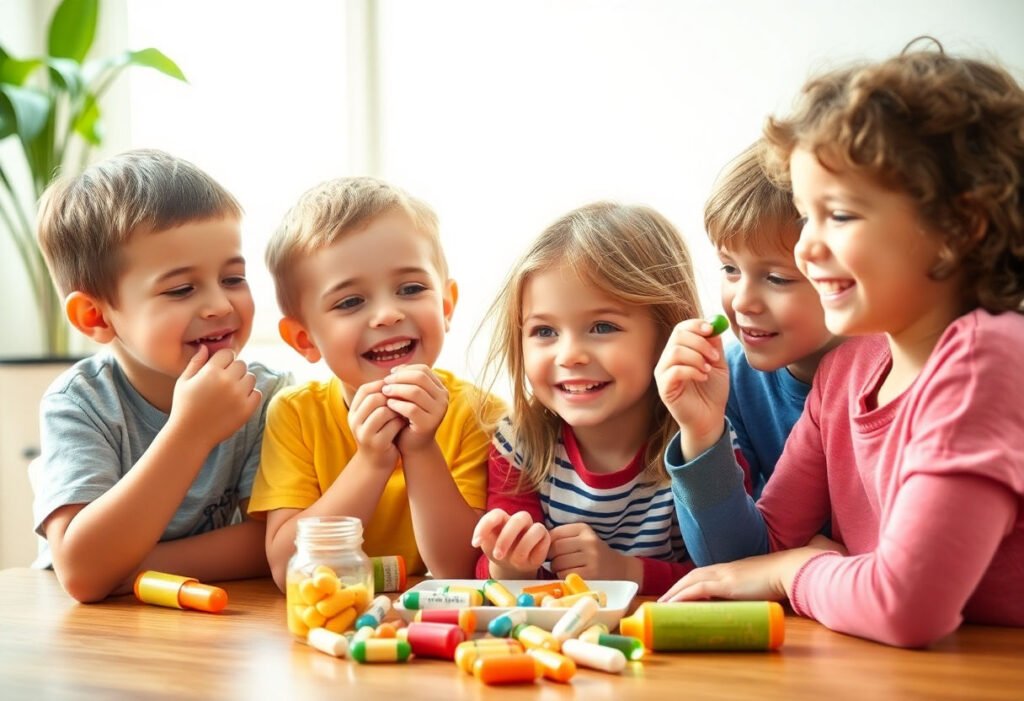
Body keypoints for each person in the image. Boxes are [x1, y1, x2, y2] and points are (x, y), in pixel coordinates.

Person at [657, 40, 1024, 647]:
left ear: (961, 226)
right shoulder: (845, 374)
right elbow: (752, 554)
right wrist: (703, 433)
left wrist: (792, 570)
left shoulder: (990, 357)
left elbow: (905, 607)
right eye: (807, 213)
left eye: (840, 215)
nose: (807, 247)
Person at [32, 149, 289, 602]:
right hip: (93, 640)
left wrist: (125, 569)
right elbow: (81, 573)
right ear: (96, 316)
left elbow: (268, 544)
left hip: (203, 627)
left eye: (232, 278)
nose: (220, 306)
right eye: (181, 289)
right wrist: (190, 432)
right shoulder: (80, 404)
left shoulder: (265, 395)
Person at [250, 177, 500, 590]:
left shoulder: (482, 413)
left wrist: (420, 449)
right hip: (330, 624)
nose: (386, 314)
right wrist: (371, 460)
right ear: (304, 339)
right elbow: (287, 569)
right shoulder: (294, 413)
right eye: (350, 302)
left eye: (411, 288)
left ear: (446, 305)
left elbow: (462, 568)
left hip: (439, 626)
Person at [471, 202, 702, 596]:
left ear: (666, 331)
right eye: (545, 332)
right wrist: (509, 565)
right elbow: (493, 575)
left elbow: (731, 572)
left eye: (602, 327)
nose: (569, 355)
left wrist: (626, 571)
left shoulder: (700, 444)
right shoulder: (519, 445)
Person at [701, 140, 840, 501]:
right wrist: (699, 433)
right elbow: (728, 551)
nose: (743, 300)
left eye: (777, 278)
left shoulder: (891, 374)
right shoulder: (729, 376)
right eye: (730, 269)